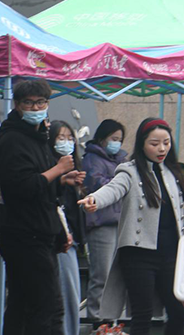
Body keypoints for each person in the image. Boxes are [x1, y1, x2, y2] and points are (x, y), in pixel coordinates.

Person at [79, 118, 184, 335]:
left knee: (178, 312)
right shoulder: (129, 171)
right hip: (139, 254)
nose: (162, 148)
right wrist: (94, 200)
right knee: (142, 314)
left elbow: (182, 213)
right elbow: (113, 189)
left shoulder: (172, 172)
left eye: (166, 142)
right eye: (154, 143)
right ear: (142, 144)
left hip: (171, 254)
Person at [0, 80, 84, 335]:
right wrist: (58, 169)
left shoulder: (38, 136)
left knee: (24, 304)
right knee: (46, 307)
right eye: (29, 103)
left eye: (40, 102)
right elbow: (21, 187)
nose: (35, 108)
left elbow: (43, 187)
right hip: (24, 235)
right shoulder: (13, 139)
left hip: (41, 232)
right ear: (17, 105)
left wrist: (62, 179)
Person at [81, 119, 127, 327]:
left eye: (119, 139)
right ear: (102, 138)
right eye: (113, 138)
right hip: (101, 222)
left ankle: (110, 318)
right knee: (102, 273)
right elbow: (98, 184)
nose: (116, 143)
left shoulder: (121, 160)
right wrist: (121, 184)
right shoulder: (92, 159)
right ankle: (97, 318)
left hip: (118, 222)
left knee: (114, 275)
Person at [48, 121, 87, 335]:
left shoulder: (75, 168)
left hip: (72, 241)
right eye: (61, 138)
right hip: (60, 240)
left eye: (70, 138)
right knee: (65, 294)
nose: (67, 143)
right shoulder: (51, 169)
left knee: (71, 294)